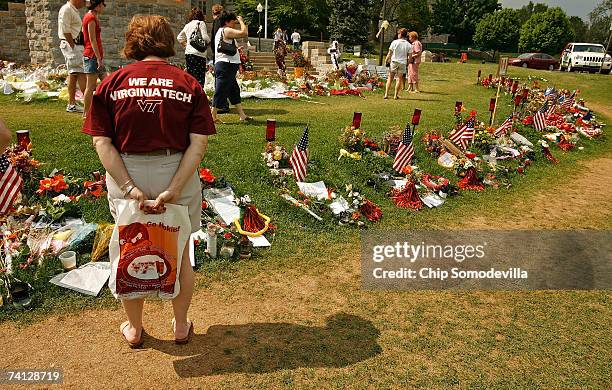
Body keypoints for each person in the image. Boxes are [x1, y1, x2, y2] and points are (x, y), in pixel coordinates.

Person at [82, 15, 216, 348]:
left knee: (131, 250)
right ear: (168, 41)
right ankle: (181, 325)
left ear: (133, 41)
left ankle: (134, 327)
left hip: (127, 168)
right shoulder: (188, 83)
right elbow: (198, 143)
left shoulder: (111, 82)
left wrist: (128, 187)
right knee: (181, 253)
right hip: (177, 168)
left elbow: (102, 142)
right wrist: (173, 188)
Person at [211, 12, 252, 123]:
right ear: (227, 22)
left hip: (227, 65)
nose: (234, 24)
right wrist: (241, 21)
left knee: (234, 90)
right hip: (226, 65)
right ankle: (212, 116)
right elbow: (244, 32)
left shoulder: (222, 32)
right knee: (221, 89)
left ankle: (242, 115)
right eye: (233, 22)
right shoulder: (226, 30)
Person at [58, 0, 87, 113]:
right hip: (71, 44)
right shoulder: (67, 9)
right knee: (81, 72)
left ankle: (72, 104)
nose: (84, 2)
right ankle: (88, 103)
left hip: (74, 44)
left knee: (73, 74)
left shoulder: (73, 10)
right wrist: (73, 45)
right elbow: (66, 30)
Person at [82, 0, 106, 119]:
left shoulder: (93, 17)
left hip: (96, 57)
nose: (103, 7)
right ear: (97, 6)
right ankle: (86, 113)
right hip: (92, 57)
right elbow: (92, 40)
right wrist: (98, 58)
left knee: (107, 82)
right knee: (90, 86)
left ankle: (106, 108)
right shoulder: (91, 18)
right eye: (102, 5)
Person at [177, 7, 210, 87]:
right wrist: (209, 42)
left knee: (191, 76)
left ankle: (191, 93)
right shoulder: (201, 23)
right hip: (199, 53)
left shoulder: (187, 25)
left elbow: (179, 37)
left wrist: (186, 45)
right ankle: (199, 95)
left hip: (189, 53)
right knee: (200, 77)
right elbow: (205, 37)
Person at [210, 4, 229, 114]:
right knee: (224, 80)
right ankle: (222, 104)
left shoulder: (217, 22)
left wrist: (214, 52)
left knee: (220, 80)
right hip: (222, 54)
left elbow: (215, 39)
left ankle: (222, 105)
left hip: (219, 55)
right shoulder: (221, 22)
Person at [384, 28, 411, 100]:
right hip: (403, 63)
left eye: (398, 33)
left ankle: (386, 94)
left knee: (390, 78)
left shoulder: (394, 42)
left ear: (400, 34)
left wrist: (386, 60)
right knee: (399, 79)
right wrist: (407, 64)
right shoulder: (408, 45)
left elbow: (390, 53)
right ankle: (395, 95)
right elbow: (410, 57)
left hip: (394, 61)